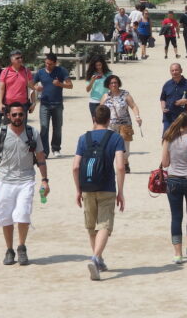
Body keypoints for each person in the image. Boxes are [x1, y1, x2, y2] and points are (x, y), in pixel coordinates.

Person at [0, 102, 49, 266]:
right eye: (14, 114)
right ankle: (9, 249)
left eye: (20, 114)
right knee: (5, 216)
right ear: (8, 115)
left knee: (23, 214)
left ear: (25, 115)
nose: (17, 117)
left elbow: (41, 157)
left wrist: (44, 180)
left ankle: (21, 247)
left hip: (26, 179)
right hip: (5, 180)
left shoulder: (32, 133)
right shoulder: (0, 133)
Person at [72, 105, 126, 281]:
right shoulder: (116, 138)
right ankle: (95, 258)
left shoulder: (83, 138)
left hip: (87, 187)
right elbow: (119, 166)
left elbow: (75, 166)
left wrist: (78, 190)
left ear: (94, 119)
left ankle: (99, 258)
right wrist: (121, 191)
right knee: (104, 224)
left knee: (91, 225)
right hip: (107, 187)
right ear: (109, 120)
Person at [161, 112, 187, 264]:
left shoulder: (168, 138)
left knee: (176, 216)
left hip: (173, 180)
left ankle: (177, 253)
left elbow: (165, 163)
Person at [100, 75, 142, 173]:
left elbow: (133, 106)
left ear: (118, 83)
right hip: (110, 125)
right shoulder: (106, 96)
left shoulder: (125, 94)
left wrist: (137, 117)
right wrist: (99, 123)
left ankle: (125, 162)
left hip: (125, 125)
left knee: (125, 148)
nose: (114, 84)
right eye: (111, 83)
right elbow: (100, 110)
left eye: (115, 82)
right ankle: (110, 167)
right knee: (109, 146)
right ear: (108, 85)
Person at [33, 53, 72, 158]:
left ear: (55, 63)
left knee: (57, 128)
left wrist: (60, 84)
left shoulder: (61, 71)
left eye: (50, 64)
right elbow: (30, 83)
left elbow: (70, 85)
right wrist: (36, 87)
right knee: (44, 127)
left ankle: (56, 148)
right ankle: (44, 151)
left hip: (58, 104)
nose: (47, 65)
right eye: (46, 63)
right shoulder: (40, 72)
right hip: (44, 104)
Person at [0, 50, 36, 125]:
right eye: (17, 58)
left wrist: (34, 103)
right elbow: (1, 89)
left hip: (23, 105)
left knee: (22, 129)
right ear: (11, 60)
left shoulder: (26, 71)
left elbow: (32, 88)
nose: (20, 60)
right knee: (7, 129)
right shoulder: (5, 72)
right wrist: (0, 103)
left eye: (21, 57)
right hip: (8, 105)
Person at [160, 63, 187, 133]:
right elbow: (163, 99)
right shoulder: (167, 84)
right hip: (168, 118)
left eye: (176, 70)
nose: (174, 72)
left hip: (183, 118)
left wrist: (185, 101)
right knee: (166, 140)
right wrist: (163, 108)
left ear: (181, 70)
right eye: (172, 70)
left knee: (183, 141)